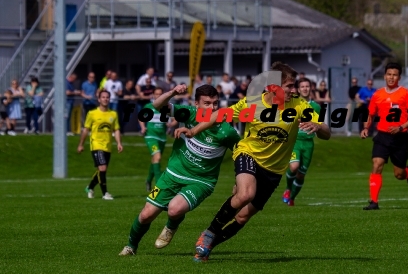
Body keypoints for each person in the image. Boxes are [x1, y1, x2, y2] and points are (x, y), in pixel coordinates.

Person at [176, 61, 331, 262]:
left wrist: (319, 127)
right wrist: (194, 130)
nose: (294, 90)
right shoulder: (253, 103)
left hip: (274, 170)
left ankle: (208, 246)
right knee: (245, 194)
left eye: (294, 85)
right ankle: (210, 232)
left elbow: (327, 132)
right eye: (290, 86)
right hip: (248, 153)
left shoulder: (300, 105)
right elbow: (219, 116)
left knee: (242, 217)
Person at [118, 84, 241, 256]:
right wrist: (173, 92)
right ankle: (131, 247)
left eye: (215, 103)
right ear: (196, 104)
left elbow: (241, 154)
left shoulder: (227, 131)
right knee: (146, 215)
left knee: (174, 209)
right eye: (207, 103)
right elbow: (157, 106)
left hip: (201, 181)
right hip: (172, 174)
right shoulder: (188, 113)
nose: (212, 107)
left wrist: (239, 180)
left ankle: (171, 226)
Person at [360, 62, 408, 210]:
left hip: (400, 138)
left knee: (398, 174)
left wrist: (401, 127)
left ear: (399, 77)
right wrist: (366, 127)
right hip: (382, 136)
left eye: (395, 75)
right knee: (377, 164)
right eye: (389, 74)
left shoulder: (405, 94)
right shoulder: (378, 95)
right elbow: (371, 114)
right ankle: (374, 202)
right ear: (385, 76)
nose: (391, 77)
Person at [282, 77, 321, 206]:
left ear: (311, 88)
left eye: (307, 86)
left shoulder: (316, 107)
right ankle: (288, 189)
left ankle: (292, 198)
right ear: (298, 89)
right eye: (302, 86)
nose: (305, 88)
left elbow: (319, 125)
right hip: (295, 141)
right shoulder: (293, 104)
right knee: (294, 166)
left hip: (308, 143)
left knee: (301, 175)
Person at [78, 90, 123, 200]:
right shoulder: (92, 114)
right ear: (99, 99)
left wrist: (119, 143)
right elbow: (85, 130)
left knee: (102, 171)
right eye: (103, 97)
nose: (105, 99)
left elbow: (116, 130)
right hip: (96, 145)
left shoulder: (113, 114)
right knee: (102, 168)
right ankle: (105, 194)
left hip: (107, 146)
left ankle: (90, 187)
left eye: (107, 97)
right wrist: (81, 144)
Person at [139, 87, 173, 192]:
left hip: (162, 138)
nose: (158, 96)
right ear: (153, 95)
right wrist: (143, 127)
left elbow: (174, 120)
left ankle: (148, 180)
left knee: (155, 160)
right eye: (156, 94)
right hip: (151, 137)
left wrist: (171, 125)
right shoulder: (149, 106)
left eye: (160, 94)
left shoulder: (166, 108)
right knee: (157, 157)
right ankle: (159, 187)